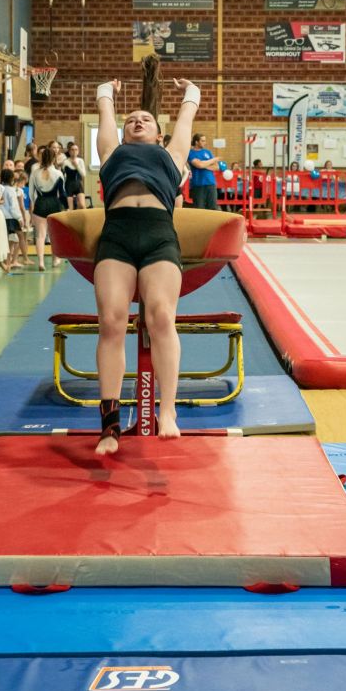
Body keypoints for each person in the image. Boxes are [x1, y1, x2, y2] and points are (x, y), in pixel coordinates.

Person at [93, 54, 200, 455]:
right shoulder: (112, 153)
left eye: (147, 119)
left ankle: (167, 411)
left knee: (160, 317)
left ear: (159, 134)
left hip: (158, 236)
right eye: (131, 119)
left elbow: (186, 119)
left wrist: (190, 92)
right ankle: (109, 427)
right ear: (123, 132)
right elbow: (105, 112)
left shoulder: (171, 155)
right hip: (117, 236)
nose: (138, 120)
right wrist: (108, 93)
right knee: (111, 322)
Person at [29, 146, 66, 271]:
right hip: (54, 203)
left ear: (42, 157)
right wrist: (66, 208)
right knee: (53, 234)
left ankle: (40, 262)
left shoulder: (35, 173)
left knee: (40, 235)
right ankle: (55, 259)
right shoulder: (58, 173)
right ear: (54, 158)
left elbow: (30, 193)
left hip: (40, 202)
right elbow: (62, 193)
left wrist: (35, 204)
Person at [188, 132, 219, 209]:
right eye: (202, 141)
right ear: (196, 142)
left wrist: (203, 164)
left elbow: (216, 167)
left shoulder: (207, 152)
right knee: (199, 208)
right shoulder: (190, 153)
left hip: (211, 183)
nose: (205, 143)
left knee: (213, 207)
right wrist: (212, 160)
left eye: (205, 140)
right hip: (198, 185)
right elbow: (198, 165)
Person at [0, 168, 22, 269]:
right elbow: (14, 207)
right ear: (11, 178)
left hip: (1, 217)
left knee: (6, 241)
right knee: (16, 239)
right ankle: (10, 262)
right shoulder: (11, 190)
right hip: (11, 218)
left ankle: (7, 262)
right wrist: (19, 218)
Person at [63, 141, 88, 209]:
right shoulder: (65, 162)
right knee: (70, 208)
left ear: (78, 151)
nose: (74, 151)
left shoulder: (80, 161)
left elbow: (84, 174)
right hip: (68, 185)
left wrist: (76, 165)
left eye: (76, 149)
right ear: (69, 151)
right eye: (72, 150)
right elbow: (62, 176)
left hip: (78, 184)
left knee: (82, 206)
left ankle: (82, 218)